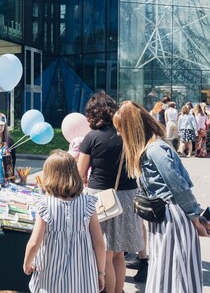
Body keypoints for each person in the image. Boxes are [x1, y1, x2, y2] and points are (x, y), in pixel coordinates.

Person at [113, 100, 209, 293]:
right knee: (169, 270)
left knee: (176, 272)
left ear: (131, 128)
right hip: (164, 217)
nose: (118, 133)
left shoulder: (155, 149)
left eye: (120, 128)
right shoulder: (150, 149)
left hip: (172, 216)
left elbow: (178, 186)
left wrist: (195, 216)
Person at [77, 92, 143, 293]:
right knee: (119, 254)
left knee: (104, 252)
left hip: (100, 198)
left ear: (92, 114)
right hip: (128, 195)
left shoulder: (92, 138)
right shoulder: (126, 137)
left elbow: (80, 173)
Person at [23, 150, 106, 293]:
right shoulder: (88, 203)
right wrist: (101, 272)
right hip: (82, 274)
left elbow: (35, 242)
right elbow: (99, 244)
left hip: (50, 274)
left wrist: (26, 263)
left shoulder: (44, 204)